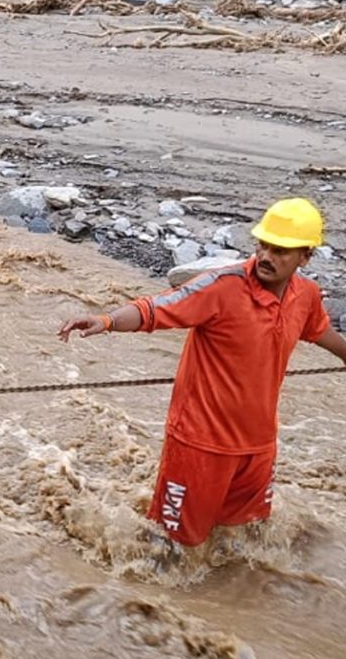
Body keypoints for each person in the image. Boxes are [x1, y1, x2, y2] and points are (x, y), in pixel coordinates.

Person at [58, 198, 346, 547]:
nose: (267, 257)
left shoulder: (307, 295)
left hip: (257, 447)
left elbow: (319, 331)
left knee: (242, 540)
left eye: (281, 250)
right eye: (263, 245)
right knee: (169, 544)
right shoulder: (222, 287)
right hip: (199, 444)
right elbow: (156, 309)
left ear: (306, 256)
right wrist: (106, 321)